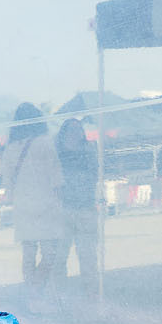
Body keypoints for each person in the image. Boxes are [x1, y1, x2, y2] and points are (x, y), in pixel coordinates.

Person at [3, 102, 64, 288]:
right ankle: (37, 285)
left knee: (28, 253)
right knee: (49, 253)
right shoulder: (45, 142)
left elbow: (7, 182)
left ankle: (31, 290)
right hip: (45, 203)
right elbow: (56, 177)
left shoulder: (10, 148)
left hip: (23, 206)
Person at [53, 117, 100, 287]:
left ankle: (91, 290)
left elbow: (95, 175)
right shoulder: (56, 153)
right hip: (62, 210)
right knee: (59, 254)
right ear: (63, 133)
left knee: (88, 254)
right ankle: (60, 289)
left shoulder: (89, 151)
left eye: (78, 129)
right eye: (71, 129)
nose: (75, 133)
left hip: (86, 209)